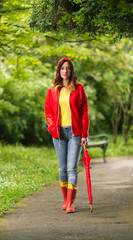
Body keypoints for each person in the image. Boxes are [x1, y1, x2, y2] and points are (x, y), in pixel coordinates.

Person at [45, 58, 90, 213]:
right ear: (59, 71)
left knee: (72, 168)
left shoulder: (79, 89)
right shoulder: (52, 91)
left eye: (68, 68)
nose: (65, 71)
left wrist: (85, 134)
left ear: (71, 71)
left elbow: (85, 112)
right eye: (62, 68)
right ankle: (65, 200)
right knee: (62, 169)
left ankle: (70, 203)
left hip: (75, 132)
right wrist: (51, 126)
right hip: (58, 133)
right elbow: (48, 111)